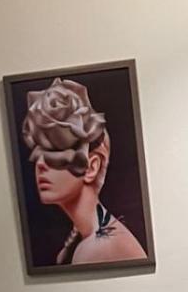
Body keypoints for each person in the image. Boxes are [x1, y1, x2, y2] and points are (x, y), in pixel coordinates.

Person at [21, 77, 147, 266]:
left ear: (91, 167)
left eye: (55, 150)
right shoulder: (90, 237)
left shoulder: (98, 248)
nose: (40, 164)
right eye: (38, 151)